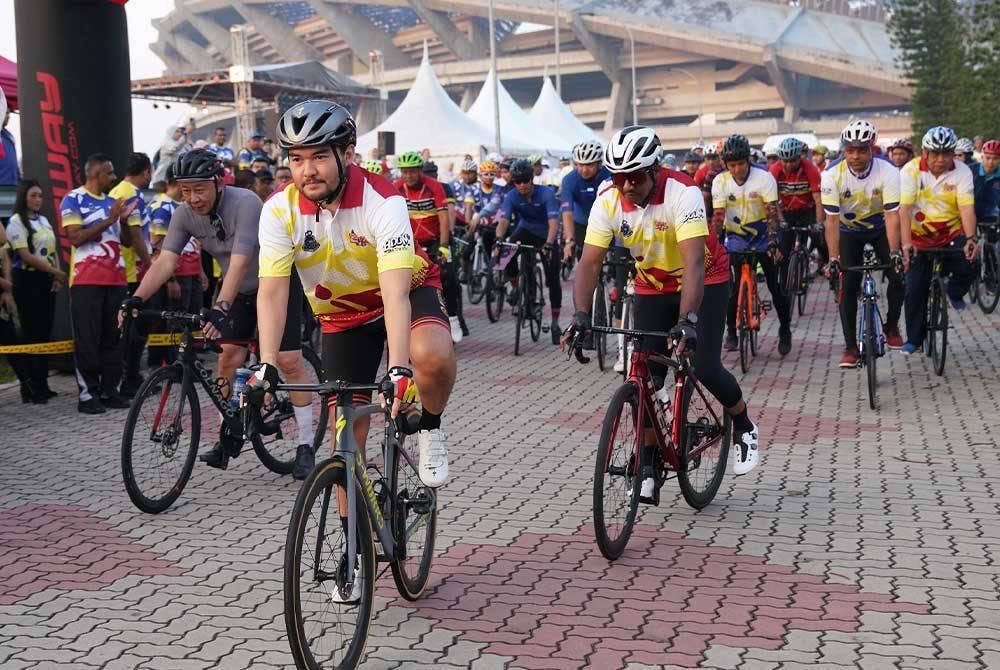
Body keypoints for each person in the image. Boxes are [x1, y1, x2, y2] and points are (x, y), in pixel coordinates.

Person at [255, 99, 455, 494]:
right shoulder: (279, 211)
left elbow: (395, 294)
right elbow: (273, 292)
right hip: (345, 316)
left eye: (318, 157)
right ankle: (356, 549)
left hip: (406, 291)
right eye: (296, 159)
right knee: (345, 445)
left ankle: (430, 426)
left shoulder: (383, 201)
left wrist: (398, 369)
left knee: (430, 355)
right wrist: (265, 364)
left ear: (347, 154)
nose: (307, 171)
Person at [564, 125, 761, 480]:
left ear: (655, 170)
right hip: (652, 284)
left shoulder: (682, 193)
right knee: (645, 377)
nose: (627, 186)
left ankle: (744, 426)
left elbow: (695, 262)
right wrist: (580, 315)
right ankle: (651, 460)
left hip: (704, 279)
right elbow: (589, 263)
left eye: (635, 177)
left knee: (703, 365)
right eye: (620, 177)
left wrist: (687, 319)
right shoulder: (608, 200)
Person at [121, 148, 313, 475]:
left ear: (217, 182)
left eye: (199, 189)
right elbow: (166, 261)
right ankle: (229, 432)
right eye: (185, 190)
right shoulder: (184, 215)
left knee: (288, 361)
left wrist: (219, 307)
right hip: (237, 289)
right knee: (227, 357)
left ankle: (306, 444)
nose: (192, 198)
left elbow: (239, 260)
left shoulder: (245, 203)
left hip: (277, 282)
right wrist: (136, 298)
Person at [822, 120, 904, 366]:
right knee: (847, 285)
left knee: (899, 276)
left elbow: (892, 215)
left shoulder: (888, 171)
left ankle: (891, 326)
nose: (855, 156)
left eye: (861, 150)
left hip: (880, 228)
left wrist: (895, 252)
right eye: (850, 150)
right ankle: (850, 348)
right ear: (843, 150)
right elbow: (832, 221)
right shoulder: (831, 174)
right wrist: (833, 258)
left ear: (872, 149)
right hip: (848, 231)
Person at [62, 154, 139, 413]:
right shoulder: (73, 198)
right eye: (110, 173)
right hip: (86, 281)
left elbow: (126, 242)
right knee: (88, 338)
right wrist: (108, 219)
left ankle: (109, 390)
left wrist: (124, 221)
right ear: (96, 174)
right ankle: (87, 395)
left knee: (113, 338)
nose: (114, 177)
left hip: (116, 280)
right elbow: (75, 238)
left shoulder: (112, 202)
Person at [898, 126, 977, 354]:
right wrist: (906, 244)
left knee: (973, 262)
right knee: (914, 290)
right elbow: (905, 209)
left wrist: (971, 239)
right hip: (919, 238)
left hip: (951, 234)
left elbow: (966, 207)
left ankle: (954, 291)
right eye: (935, 153)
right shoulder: (910, 170)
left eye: (947, 153)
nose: (941, 159)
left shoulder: (962, 171)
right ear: (925, 152)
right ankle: (914, 338)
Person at [712, 134, 792, 356]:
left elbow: (772, 214)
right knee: (732, 288)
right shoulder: (720, 182)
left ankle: (785, 330)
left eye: (741, 164)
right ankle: (731, 332)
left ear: (749, 160)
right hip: (736, 236)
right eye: (732, 165)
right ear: (726, 165)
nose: (737, 169)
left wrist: (774, 241)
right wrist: (715, 244)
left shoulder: (764, 178)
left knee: (776, 288)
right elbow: (718, 217)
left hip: (764, 234)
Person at [394, 152, 465, 343]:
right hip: (410, 243)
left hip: (436, 240)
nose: (408, 176)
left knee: (448, 277)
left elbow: (443, 219)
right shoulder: (397, 187)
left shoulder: (434, 187)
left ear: (420, 171)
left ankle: (453, 318)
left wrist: (443, 246)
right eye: (404, 172)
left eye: (412, 172)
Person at [6, 179, 66, 402]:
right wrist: (55, 272)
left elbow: (53, 249)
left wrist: (57, 273)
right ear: (23, 197)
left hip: (46, 279)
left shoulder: (43, 220)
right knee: (31, 333)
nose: (38, 199)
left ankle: (43, 382)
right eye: (33, 195)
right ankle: (31, 386)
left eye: (40, 195)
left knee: (45, 331)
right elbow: (25, 255)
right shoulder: (16, 222)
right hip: (27, 280)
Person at [493, 158, 564, 344]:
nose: (522, 185)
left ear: (532, 179)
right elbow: (504, 220)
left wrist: (549, 244)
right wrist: (499, 239)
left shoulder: (546, 193)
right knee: (504, 256)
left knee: (553, 279)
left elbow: (553, 222)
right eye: (518, 181)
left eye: (525, 180)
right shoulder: (511, 196)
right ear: (513, 182)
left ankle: (556, 323)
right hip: (525, 231)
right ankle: (517, 288)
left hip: (546, 234)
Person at [110, 152, 155, 397]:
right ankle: (130, 380)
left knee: (132, 329)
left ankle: (131, 377)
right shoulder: (131, 194)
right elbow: (136, 235)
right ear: (146, 172)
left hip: (124, 269)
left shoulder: (118, 190)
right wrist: (150, 265)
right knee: (135, 330)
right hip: (134, 271)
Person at [771, 137, 827, 270]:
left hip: (807, 211)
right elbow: (772, 200)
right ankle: (786, 284)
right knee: (784, 250)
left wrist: (819, 223)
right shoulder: (775, 170)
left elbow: (819, 199)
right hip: (786, 212)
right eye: (785, 161)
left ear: (799, 158)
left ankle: (827, 265)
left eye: (792, 161)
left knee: (818, 238)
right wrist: (780, 219)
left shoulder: (810, 169)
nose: (788, 165)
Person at [560, 140, 610, 262]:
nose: (584, 170)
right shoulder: (569, 180)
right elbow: (567, 213)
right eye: (580, 165)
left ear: (599, 164)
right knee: (584, 261)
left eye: (589, 165)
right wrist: (569, 240)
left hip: (608, 222)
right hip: (582, 222)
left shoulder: (609, 175)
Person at [973, 140, 1000, 225]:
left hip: (992, 219)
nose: (991, 162)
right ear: (982, 157)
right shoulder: (969, 171)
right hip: (969, 214)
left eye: (995, 159)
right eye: (988, 158)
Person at [0, 90, 19, 187]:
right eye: (6, 113)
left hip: (13, 185)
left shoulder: (8, 136)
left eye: (9, 113)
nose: (8, 116)